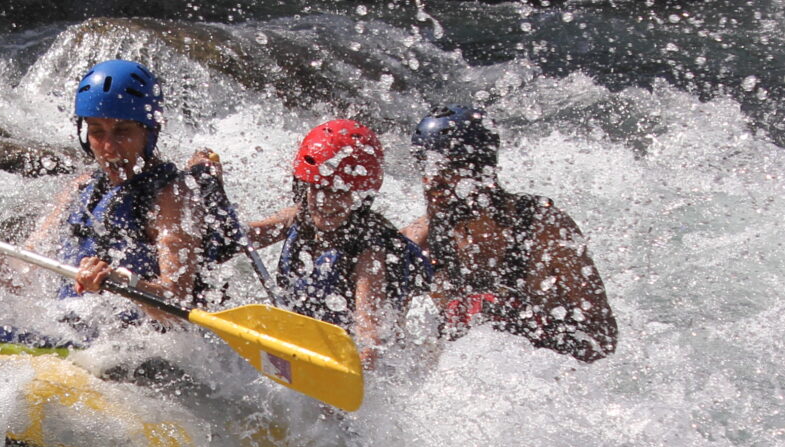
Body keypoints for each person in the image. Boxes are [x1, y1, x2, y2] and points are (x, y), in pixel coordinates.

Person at [0, 58, 240, 328]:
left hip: (134, 347)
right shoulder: (80, 189)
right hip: (71, 329)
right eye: (97, 131)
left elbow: (177, 303)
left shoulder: (171, 196)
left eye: (122, 131)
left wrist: (121, 281)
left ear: (149, 133)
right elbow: (18, 275)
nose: (108, 146)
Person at [405, 105, 616, 362]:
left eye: (445, 171)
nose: (431, 182)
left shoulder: (544, 230)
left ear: (482, 172)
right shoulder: (416, 243)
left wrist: (541, 340)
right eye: (425, 169)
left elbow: (603, 334)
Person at [241, 118, 427, 358]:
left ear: (361, 195)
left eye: (339, 192)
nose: (325, 201)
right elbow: (239, 237)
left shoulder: (370, 252)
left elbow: (370, 333)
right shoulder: (300, 216)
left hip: (356, 356)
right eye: (318, 188)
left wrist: (361, 361)